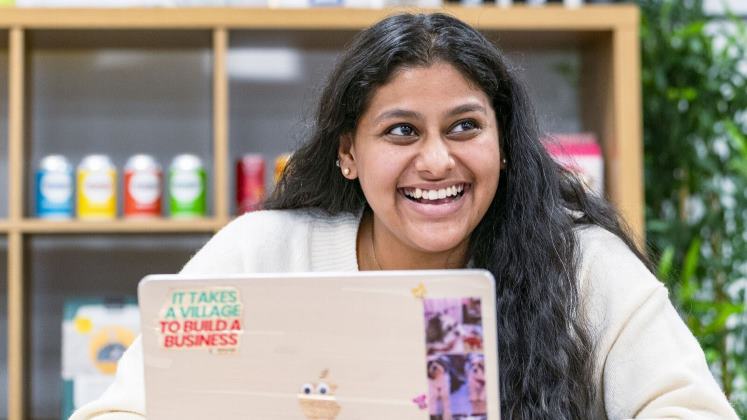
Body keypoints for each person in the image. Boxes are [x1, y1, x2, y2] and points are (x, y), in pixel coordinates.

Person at [71, 12, 738, 420]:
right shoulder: (259, 253)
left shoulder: (583, 264)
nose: (437, 160)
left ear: (503, 146)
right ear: (347, 155)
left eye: (464, 127)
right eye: (400, 132)